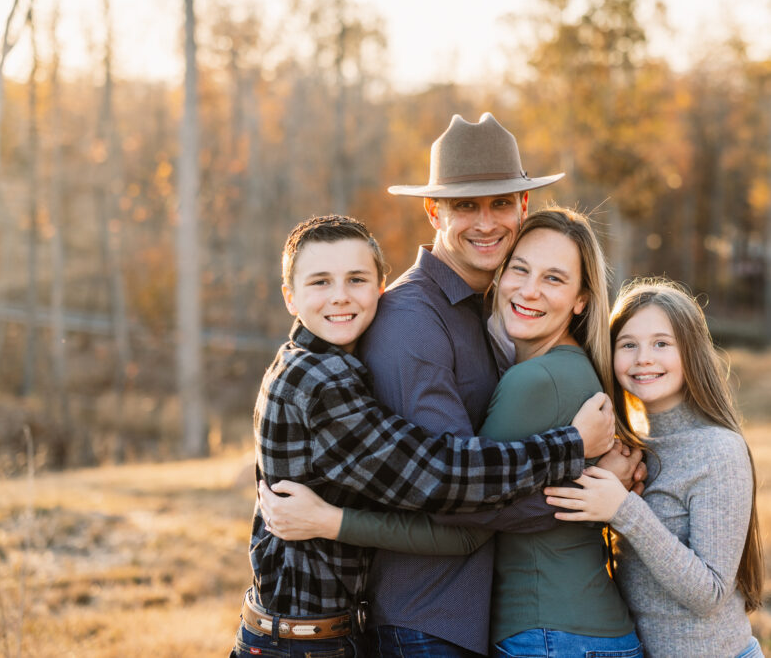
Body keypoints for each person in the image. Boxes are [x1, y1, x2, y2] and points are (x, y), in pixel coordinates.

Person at [258, 114, 643, 657]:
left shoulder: (491, 310)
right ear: (433, 210)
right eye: (465, 205)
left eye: (500, 203)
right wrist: (593, 487)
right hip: (427, 620)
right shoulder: (411, 321)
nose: (485, 222)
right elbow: (450, 495)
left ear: (522, 208)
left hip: (472, 618)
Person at [543, 279, 765, 658]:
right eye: (628, 344)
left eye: (662, 343)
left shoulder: (717, 450)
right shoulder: (631, 452)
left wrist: (625, 511)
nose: (643, 357)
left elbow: (709, 594)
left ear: (690, 352)